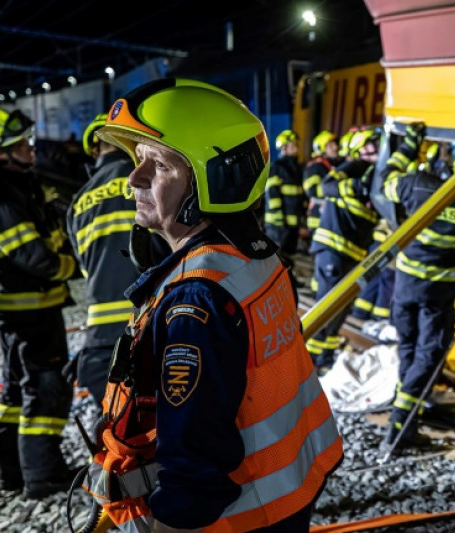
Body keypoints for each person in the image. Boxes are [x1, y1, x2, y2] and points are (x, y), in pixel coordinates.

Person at [85, 79, 342, 532]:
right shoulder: (255, 255)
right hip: (290, 488)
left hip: (240, 516)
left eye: (159, 165)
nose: (134, 178)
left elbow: (195, 457)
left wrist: (171, 524)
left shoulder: (195, 299)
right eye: (138, 158)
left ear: (216, 179)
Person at [381, 125, 455, 448]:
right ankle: (401, 424)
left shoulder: (419, 187)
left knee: (409, 349)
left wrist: (410, 144)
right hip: (438, 296)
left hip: (405, 287)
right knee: (429, 355)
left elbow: (386, 179)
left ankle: (403, 418)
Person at [0, 107, 78, 499]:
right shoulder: (2, 197)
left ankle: (13, 472)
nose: (30, 148)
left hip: (22, 312)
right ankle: (43, 475)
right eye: (20, 144)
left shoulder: (16, 187)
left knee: (15, 394)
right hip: (31, 313)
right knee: (46, 391)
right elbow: (33, 257)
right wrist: (72, 266)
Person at [66, 113, 167, 406]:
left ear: (95, 150)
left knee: (120, 438)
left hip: (101, 340)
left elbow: (86, 268)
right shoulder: (149, 178)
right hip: (152, 322)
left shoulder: (78, 203)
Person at [306, 128, 381, 369]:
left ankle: (324, 358)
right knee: (326, 308)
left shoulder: (378, 175)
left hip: (354, 256)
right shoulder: (354, 168)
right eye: (372, 144)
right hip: (333, 250)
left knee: (340, 310)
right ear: (361, 149)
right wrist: (357, 188)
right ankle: (306, 362)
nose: (378, 148)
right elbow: (325, 188)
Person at [264, 129, 306, 255]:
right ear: (284, 148)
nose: (296, 148)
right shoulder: (277, 167)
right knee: (277, 258)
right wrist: (278, 221)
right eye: (293, 145)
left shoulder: (296, 168)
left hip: (293, 225)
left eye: (296, 144)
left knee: (289, 258)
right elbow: (273, 195)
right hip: (278, 225)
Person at [303, 130, 343, 254]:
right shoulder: (315, 167)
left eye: (335, 144)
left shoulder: (334, 165)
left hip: (330, 217)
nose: (336, 147)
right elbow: (312, 190)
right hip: (318, 218)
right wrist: (337, 189)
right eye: (330, 145)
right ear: (322, 148)